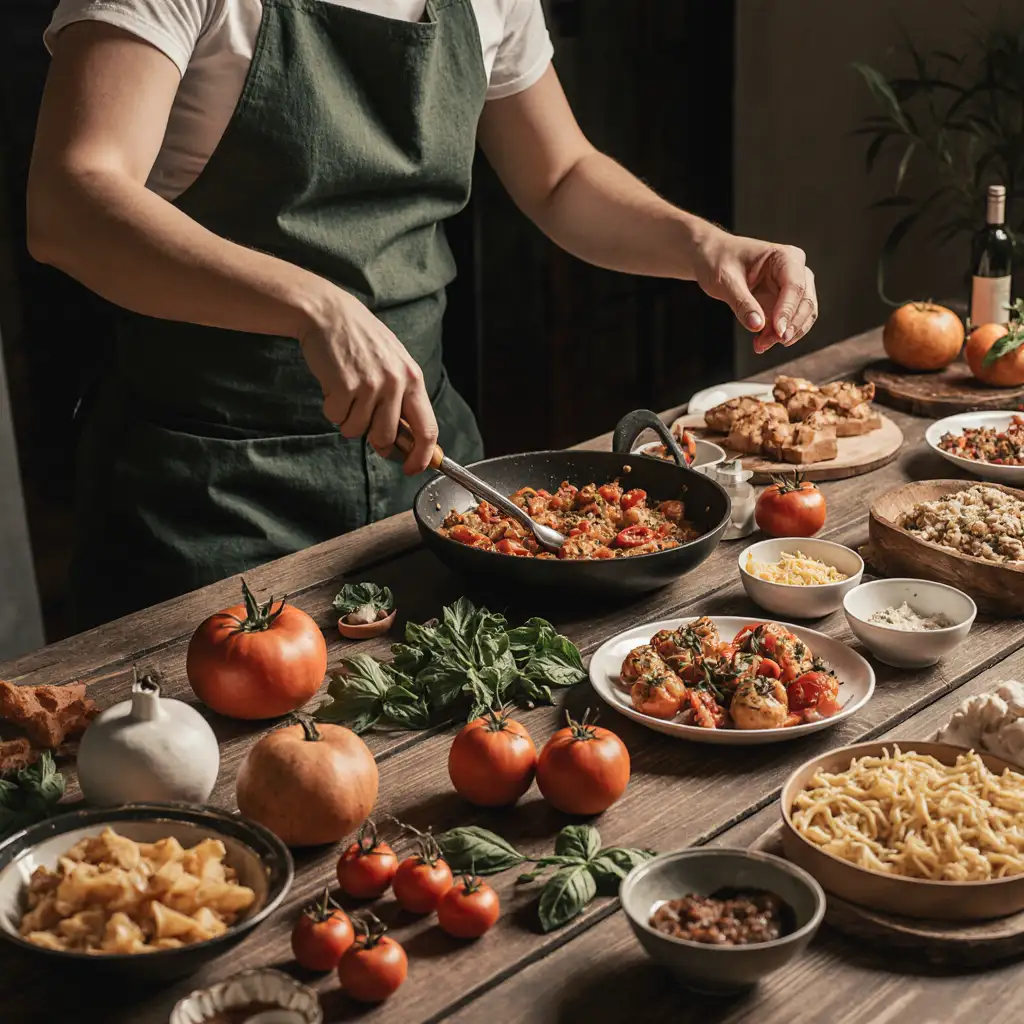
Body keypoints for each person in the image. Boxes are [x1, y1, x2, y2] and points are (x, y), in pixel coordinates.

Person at [27, 0, 818, 630]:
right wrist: (313, 303)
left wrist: (706, 246)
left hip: (435, 474)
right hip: (208, 492)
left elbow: (561, 175)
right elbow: (69, 202)